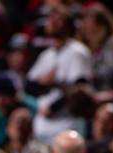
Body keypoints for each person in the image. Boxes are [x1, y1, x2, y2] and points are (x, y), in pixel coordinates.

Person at [26, 5, 92, 143]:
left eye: (58, 19)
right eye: (50, 18)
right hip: (43, 126)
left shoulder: (77, 52)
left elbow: (80, 89)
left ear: (69, 26)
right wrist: (42, 83)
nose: (52, 22)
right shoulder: (47, 55)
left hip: (68, 125)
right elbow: (28, 86)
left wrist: (52, 107)